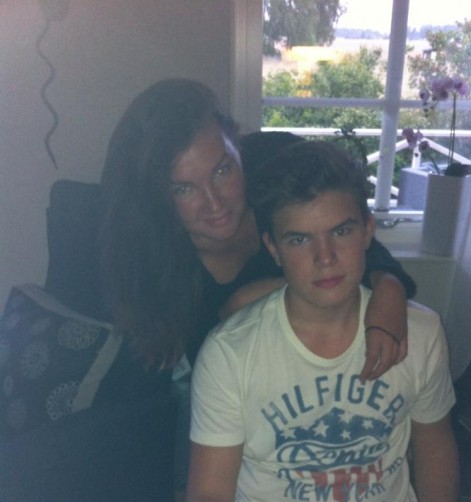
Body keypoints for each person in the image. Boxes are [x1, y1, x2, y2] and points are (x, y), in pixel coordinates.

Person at [185, 140, 459, 502]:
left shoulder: (422, 332)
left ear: (368, 231)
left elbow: (434, 441)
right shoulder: (232, 351)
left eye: (341, 231)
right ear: (272, 247)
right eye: (299, 239)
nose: (325, 257)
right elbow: (207, 496)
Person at [99, 78, 415, 382]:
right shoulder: (146, 266)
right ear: (157, 196)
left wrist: (389, 288)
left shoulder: (278, 162)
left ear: (238, 145)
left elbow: (350, 231)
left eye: (223, 170)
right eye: (184, 188)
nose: (215, 203)